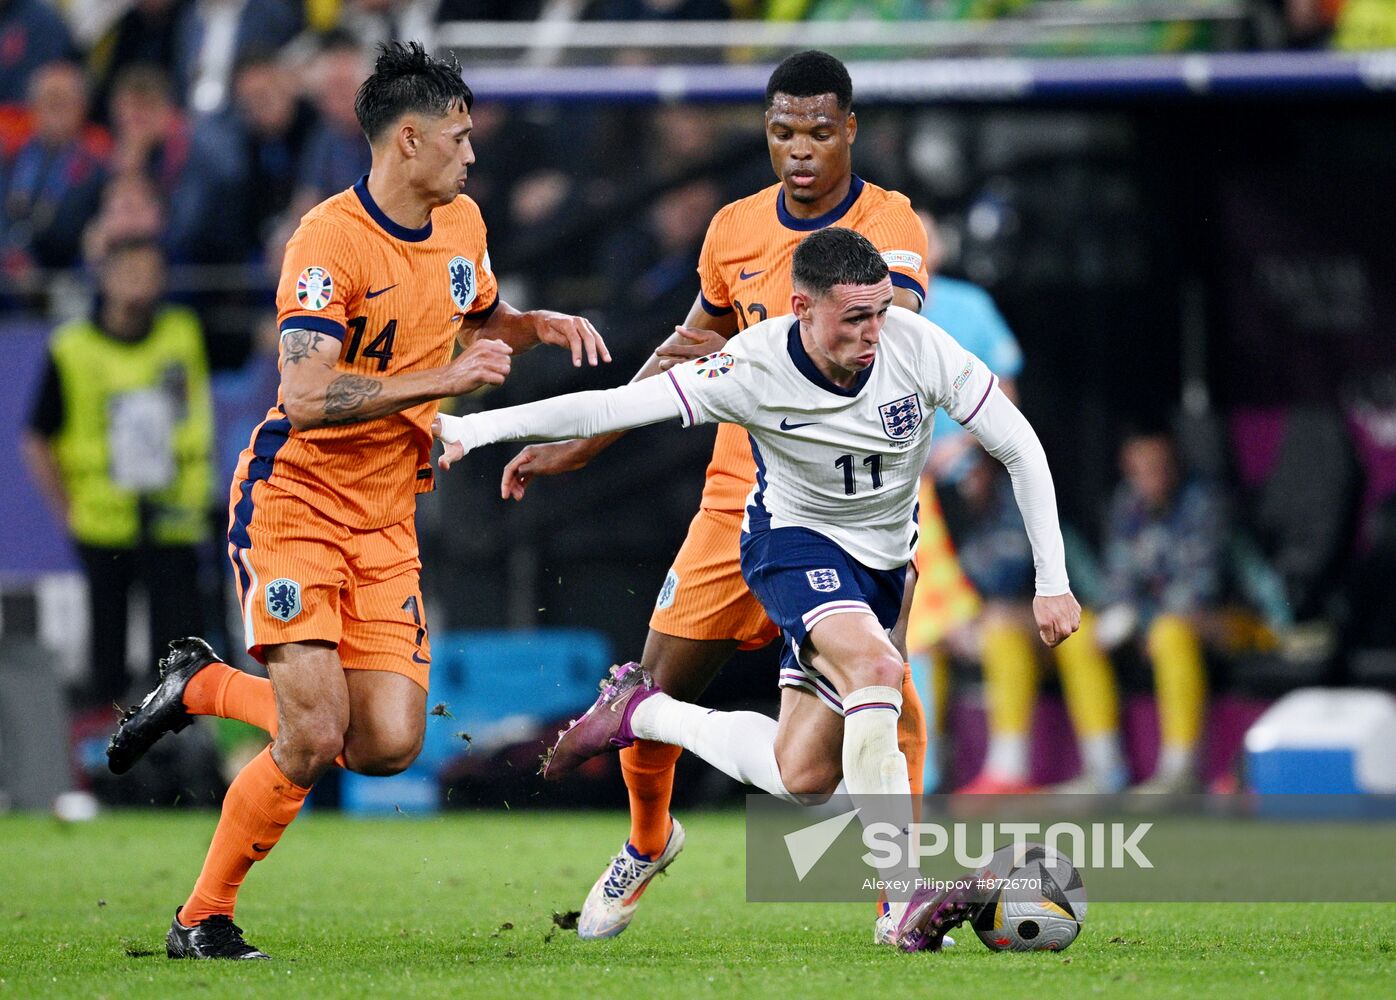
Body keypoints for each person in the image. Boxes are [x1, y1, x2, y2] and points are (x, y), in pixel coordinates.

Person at [435, 226, 1081, 952]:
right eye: (854, 318)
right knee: (879, 671)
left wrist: (1051, 581)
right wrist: (478, 428)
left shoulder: (915, 345)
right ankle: (902, 901)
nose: (874, 333)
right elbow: (611, 409)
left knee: (800, 774)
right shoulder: (752, 365)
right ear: (801, 307)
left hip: (884, 569)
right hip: (792, 546)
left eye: (878, 313)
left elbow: (1018, 445)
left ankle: (644, 713)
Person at [103, 41, 610, 961]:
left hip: (386, 517)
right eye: (458, 138)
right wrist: (442, 378)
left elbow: (479, 313)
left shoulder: (463, 225)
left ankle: (203, 684)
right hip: (295, 501)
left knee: (384, 744)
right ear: (407, 138)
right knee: (312, 733)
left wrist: (532, 328)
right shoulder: (327, 241)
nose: (470, 154)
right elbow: (303, 394)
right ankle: (200, 918)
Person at [497, 49, 934, 942]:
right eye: (782, 132)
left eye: (819, 131)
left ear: (850, 129)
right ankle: (648, 841)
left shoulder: (889, 226)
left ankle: (903, 891)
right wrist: (587, 443)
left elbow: (898, 343)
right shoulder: (733, 229)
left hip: (845, 506)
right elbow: (681, 352)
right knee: (650, 690)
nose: (800, 150)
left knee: (884, 691)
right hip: (738, 498)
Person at [22, 237, 213, 709]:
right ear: (104, 276)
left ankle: (179, 759)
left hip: (174, 520)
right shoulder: (72, 348)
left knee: (181, 662)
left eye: (151, 272)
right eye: (130, 271)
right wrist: (67, 511)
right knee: (106, 660)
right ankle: (110, 763)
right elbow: (37, 438)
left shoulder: (182, 333)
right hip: (104, 525)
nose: (141, 283)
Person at [1095, 428, 1226, 794]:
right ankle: (1103, 768)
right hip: (1157, 619)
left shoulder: (1203, 502)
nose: (1152, 477)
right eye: (1142, 469)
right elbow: (1119, 575)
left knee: (1169, 631)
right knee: (1079, 633)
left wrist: (1146, 621)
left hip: (1230, 619)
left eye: (1160, 467)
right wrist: (1123, 617)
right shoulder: (1127, 504)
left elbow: (1203, 585)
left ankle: (1180, 770)